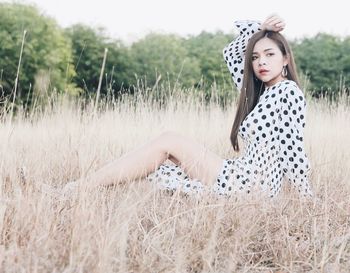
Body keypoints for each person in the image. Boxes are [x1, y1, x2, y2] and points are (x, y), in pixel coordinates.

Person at [54, 14, 312, 199]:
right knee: (166, 160)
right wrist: (260, 28)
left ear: (286, 59)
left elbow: (293, 147)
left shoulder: (287, 92)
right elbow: (231, 55)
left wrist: (306, 196)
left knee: (169, 140)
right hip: (244, 176)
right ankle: (82, 191)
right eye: (255, 57)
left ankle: (76, 190)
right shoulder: (260, 92)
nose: (261, 62)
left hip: (253, 183)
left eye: (270, 54)